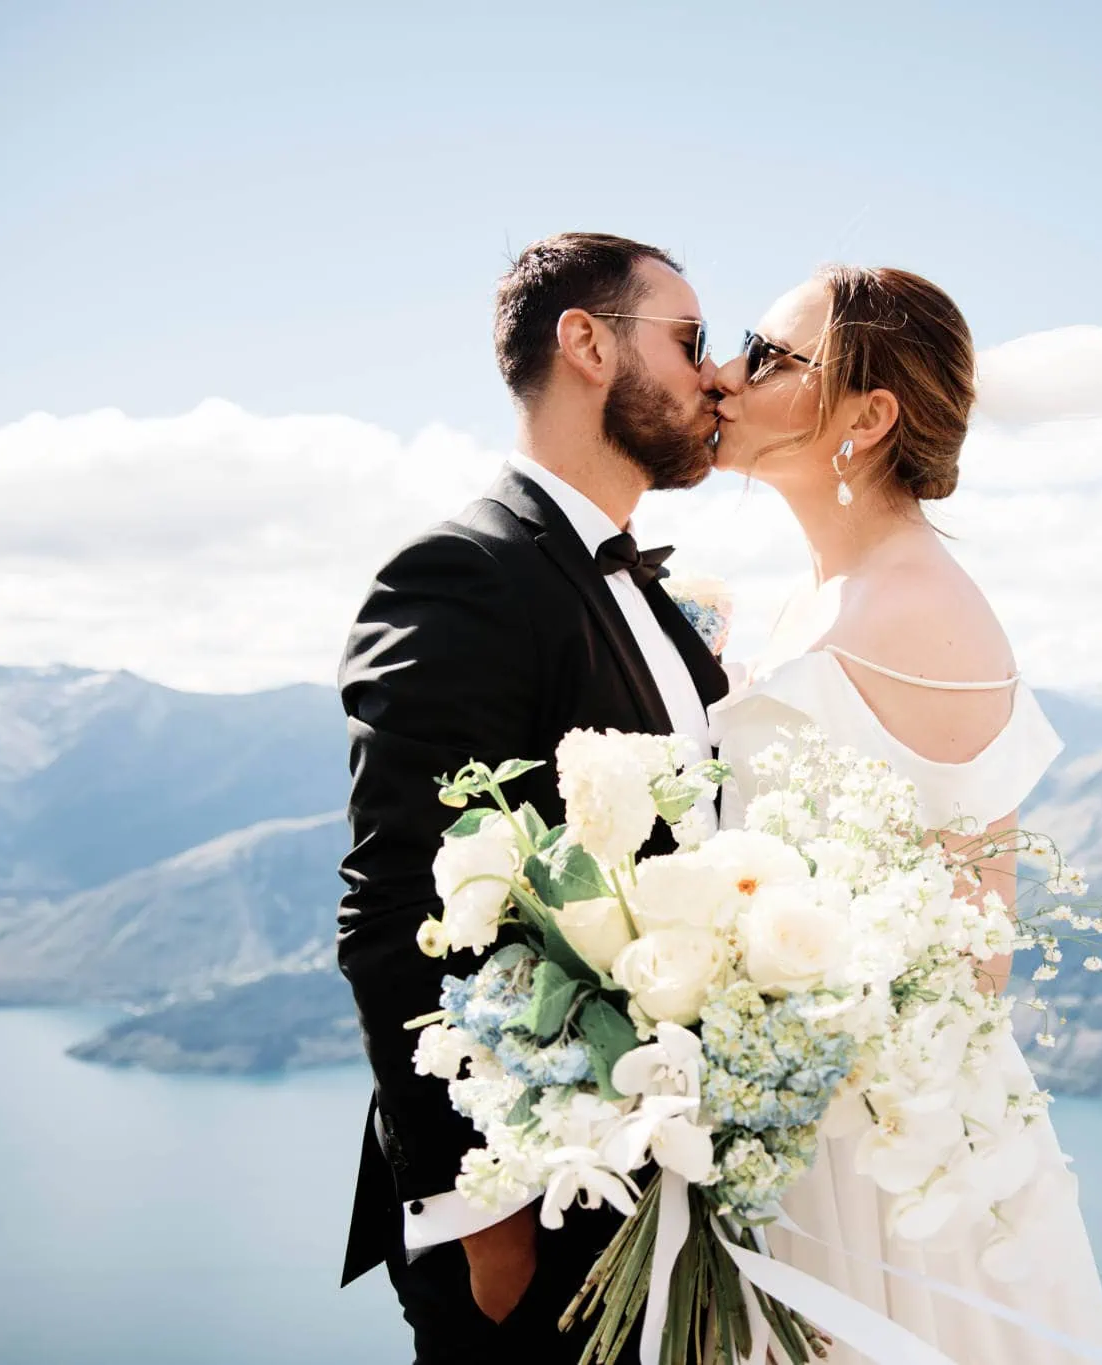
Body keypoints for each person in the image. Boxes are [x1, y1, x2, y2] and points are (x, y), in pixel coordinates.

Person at [705, 264, 1102, 1363]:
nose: (725, 377)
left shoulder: (921, 610)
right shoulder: (823, 593)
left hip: (877, 1147)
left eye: (769, 356)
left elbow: (974, 947)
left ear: (867, 415)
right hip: (788, 1108)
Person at [335, 231, 728, 1363]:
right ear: (587, 344)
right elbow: (394, 906)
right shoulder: (465, 572)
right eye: (691, 339)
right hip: (529, 1207)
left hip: (648, 1170)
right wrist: (487, 1214)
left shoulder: (638, 588)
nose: (713, 374)